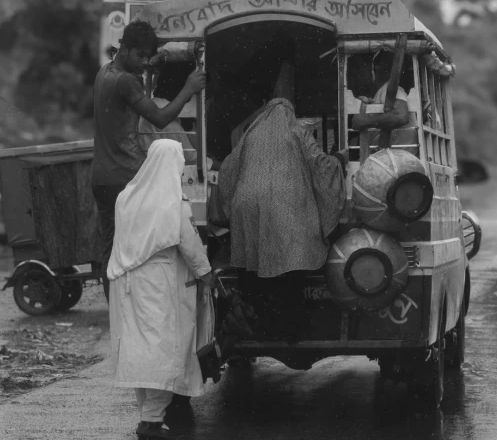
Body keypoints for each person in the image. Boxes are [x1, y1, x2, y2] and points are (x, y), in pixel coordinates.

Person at [92, 19, 207, 300]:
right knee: (135, 252)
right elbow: (160, 118)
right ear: (125, 49)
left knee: (112, 249)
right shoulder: (126, 81)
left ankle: (117, 311)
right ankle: (129, 309)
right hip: (124, 177)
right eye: (140, 55)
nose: (144, 62)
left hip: (102, 176)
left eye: (148, 57)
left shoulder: (105, 72)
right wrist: (189, 88)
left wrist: (147, 65)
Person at [108, 139, 215, 440]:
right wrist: (207, 275)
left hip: (126, 283)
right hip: (160, 283)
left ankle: (148, 414)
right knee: (164, 349)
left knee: (140, 349)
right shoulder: (174, 203)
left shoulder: (126, 197)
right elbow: (190, 245)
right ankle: (152, 419)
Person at [218, 62, 348, 281]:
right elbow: (321, 167)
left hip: (246, 206)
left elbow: (227, 169)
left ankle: (255, 298)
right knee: (290, 262)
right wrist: (339, 159)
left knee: (254, 268)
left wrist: (235, 200)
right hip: (285, 207)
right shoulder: (297, 132)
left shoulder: (249, 135)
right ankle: (285, 295)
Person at [347, 51, 413, 158]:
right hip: (392, 157)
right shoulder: (384, 92)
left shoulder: (389, 89)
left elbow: (401, 116)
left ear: (376, 69)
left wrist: (365, 121)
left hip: (393, 159)